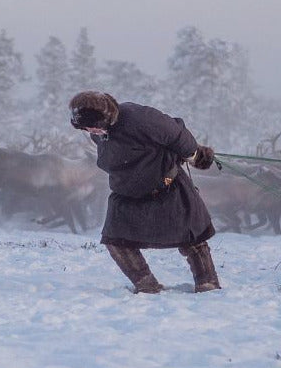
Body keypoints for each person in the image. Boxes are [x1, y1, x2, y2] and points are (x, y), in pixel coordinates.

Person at [69, 90, 221, 294]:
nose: (90, 130)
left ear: (105, 116)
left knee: (192, 238)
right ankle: (146, 284)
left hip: (167, 186)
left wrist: (196, 155)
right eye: (85, 127)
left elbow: (176, 134)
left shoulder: (140, 118)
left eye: (93, 125)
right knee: (116, 240)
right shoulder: (99, 131)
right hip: (126, 194)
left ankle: (207, 283)